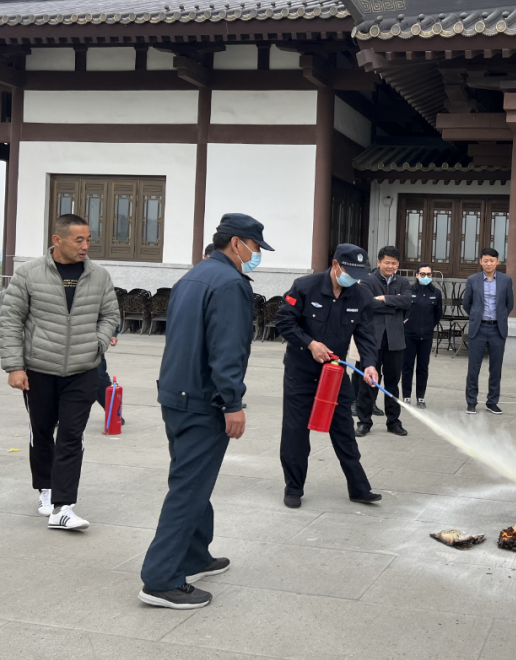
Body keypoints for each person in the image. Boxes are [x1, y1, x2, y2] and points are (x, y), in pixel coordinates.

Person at [138, 214, 271, 610]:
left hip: (176, 394)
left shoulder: (193, 276)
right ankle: (160, 579)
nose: (257, 255)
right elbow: (227, 350)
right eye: (256, 247)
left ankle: (195, 556)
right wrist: (233, 402)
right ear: (237, 243)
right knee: (189, 488)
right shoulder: (230, 283)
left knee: (193, 480)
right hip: (202, 401)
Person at [0, 213, 119, 531]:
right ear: (57, 240)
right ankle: (46, 488)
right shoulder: (28, 274)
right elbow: (11, 320)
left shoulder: (99, 276)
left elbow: (110, 314)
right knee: (41, 432)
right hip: (39, 369)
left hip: (83, 369)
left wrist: (97, 343)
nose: (85, 246)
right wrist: (15, 366)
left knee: (71, 435)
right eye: (79, 240)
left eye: (88, 240)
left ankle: (63, 507)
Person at [276, 243, 383, 509]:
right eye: (350, 273)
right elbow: (284, 322)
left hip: (334, 374)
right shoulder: (304, 287)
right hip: (301, 373)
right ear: (336, 265)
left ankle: (359, 488)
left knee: (344, 430)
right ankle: (294, 488)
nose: (354, 279)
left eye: (359, 275)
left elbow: (366, 335)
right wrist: (310, 344)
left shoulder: (360, 296)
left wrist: (370, 364)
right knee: (295, 431)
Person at [354, 246, 411, 437]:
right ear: (379, 262)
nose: (390, 266)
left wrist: (384, 298)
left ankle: (393, 421)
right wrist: (394, 303)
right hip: (372, 341)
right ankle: (364, 421)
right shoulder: (367, 281)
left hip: (395, 340)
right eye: (387, 262)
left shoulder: (403, 281)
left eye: (394, 263)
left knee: (393, 383)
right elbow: (367, 303)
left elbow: (407, 301)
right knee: (368, 382)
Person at [462, 247, 514, 415]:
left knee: (496, 368)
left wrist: (500, 317)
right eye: (486, 261)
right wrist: (476, 316)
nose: (489, 264)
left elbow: (509, 304)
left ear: (497, 262)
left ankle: (492, 402)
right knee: (473, 368)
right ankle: (471, 401)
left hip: (497, 329)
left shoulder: (506, 280)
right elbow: (466, 303)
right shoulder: (472, 280)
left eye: (492, 261)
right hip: (478, 328)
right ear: (481, 261)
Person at [401, 264, 443, 408]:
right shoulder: (409, 291)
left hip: (426, 336)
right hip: (409, 335)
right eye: (423, 274)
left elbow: (438, 314)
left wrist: (429, 326)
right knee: (407, 367)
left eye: (428, 274)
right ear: (417, 275)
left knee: (423, 367)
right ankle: (406, 397)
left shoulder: (436, 293)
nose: (426, 277)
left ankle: (420, 397)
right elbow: (403, 310)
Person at [95, 329, 124, 427]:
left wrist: (111, 333)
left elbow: (110, 319)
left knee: (98, 377)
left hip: (93, 340)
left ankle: (113, 412)